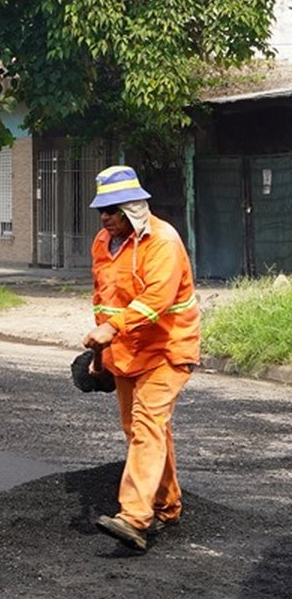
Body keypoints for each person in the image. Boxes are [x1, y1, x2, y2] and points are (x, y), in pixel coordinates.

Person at [81, 165, 200, 552]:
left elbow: (155, 301)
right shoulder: (103, 242)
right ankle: (166, 505)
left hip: (168, 349)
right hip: (127, 353)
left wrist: (111, 332)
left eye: (113, 210)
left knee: (148, 424)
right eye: (102, 211)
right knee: (140, 429)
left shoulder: (162, 242)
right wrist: (100, 356)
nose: (105, 218)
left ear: (133, 207)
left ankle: (134, 517)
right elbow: (105, 301)